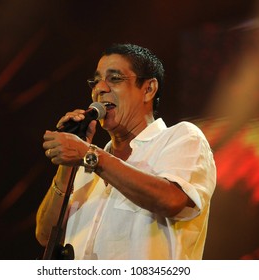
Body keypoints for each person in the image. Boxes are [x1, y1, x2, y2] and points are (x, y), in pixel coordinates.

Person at [36, 43, 216, 260]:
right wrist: (68, 167)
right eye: (96, 81)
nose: (99, 88)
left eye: (114, 78)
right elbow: (45, 235)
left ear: (148, 89)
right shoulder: (86, 162)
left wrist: (89, 155)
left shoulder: (182, 137)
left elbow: (172, 200)